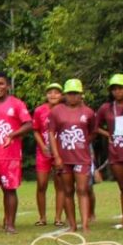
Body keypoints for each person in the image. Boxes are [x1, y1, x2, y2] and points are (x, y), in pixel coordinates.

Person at [0, 72, 33, 233]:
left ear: (7, 85)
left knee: (9, 190)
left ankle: (10, 224)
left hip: (10, 155)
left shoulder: (16, 104)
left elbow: (29, 124)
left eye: (1, 84)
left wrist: (12, 135)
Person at [46, 80, 96, 232]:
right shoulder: (56, 111)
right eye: (69, 93)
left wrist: (83, 144)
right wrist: (57, 156)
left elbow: (93, 131)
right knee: (68, 191)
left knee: (82, 189)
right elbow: (51, 133)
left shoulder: (88, 112)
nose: (72, 97)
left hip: (81, 157)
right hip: (64, 158)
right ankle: (72, 224)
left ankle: (85, 224)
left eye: (76, 93)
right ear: (65, 95)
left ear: (81, 94)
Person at [96, 74, 123, 230]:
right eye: (114, 89)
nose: (117, 91)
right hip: (115, 151)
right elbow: (94, 126)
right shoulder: (106, 108)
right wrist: (108, 134)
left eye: (120, 88)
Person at [32, 84, 65, 226]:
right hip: (43, 152)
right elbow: (35, 130)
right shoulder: (40, 110)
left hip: (61, 152)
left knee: (60, 184)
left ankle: (58, 217)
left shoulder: (65, 110)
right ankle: (42, 217)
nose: (53, 95)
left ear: (61, 95)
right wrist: (43, 146)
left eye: (56, 93)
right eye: (50, 92)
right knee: (41, 184)